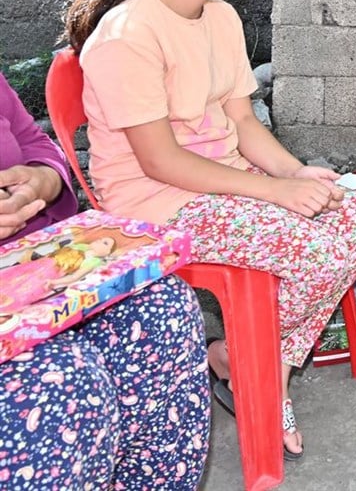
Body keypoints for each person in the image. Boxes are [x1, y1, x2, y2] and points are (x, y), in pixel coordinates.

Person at [62, 0, 356, 459]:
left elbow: (242, 121)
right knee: (314, 251)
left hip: (223, 181)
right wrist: (275, 193)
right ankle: (261, 378)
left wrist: (296, 174)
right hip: (154, 200)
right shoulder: (126, 35)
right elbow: (160, 160)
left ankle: (249, 365)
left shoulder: (220, 18)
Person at [0, 74, 210, 489]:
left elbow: (35, 144)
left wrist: (41, 181)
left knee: (162, 308)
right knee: (59, 380)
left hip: (30, 272)